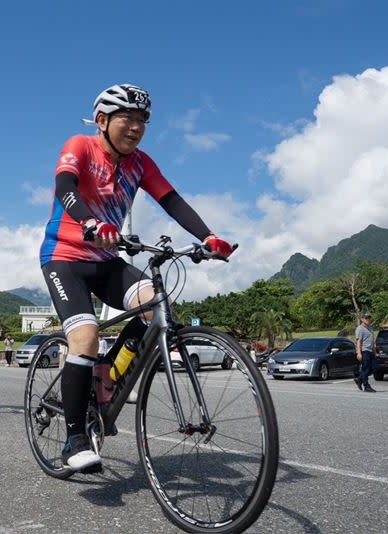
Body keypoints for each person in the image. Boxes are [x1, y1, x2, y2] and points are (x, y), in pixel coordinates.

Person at [39, 83, 234, 472]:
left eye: (142, 120)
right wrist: (90, 221)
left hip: (107, 258)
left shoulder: (141, 163)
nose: (136, 127)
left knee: (156, 306)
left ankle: (108, 373)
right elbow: (65, 187)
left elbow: (171, 200)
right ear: (102, 120)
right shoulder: (80, 145)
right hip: (64, 256)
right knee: (85, 335)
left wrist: (208, 237)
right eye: (127, 118)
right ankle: (75, 439)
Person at [354, 311, 376, 392]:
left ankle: (359, 379)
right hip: (364, 351)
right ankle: (366, 386)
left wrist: (374, 350)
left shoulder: (370, 328)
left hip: (371, 351)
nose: (368, 319)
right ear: (362, 319)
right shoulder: (360, 329)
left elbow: (372, 340)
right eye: (366, 318)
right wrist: (359, 353)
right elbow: (358, 341)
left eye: (369, 317)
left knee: (374, 368)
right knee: (365, 369)